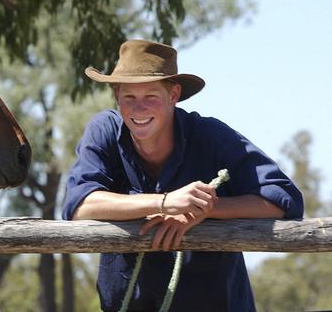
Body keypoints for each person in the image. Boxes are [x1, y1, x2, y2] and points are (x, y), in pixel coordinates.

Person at [62, 39, 304, 312]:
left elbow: (284, 200)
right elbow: (78, 206)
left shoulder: (211, 135)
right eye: (129, 97)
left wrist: (206, 209)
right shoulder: (103, 131)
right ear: (117, 95)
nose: (138, 108)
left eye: (151, 97)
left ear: (174, 95)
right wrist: (164, 202)